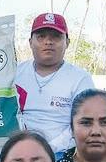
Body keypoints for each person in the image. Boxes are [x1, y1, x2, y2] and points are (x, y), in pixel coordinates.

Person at [15, 13, 96, 150]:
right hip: (17, 148)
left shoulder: (80, 78)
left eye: (56, 37)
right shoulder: (15, 73)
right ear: (30, 42)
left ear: (67, 43)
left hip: (63, 153)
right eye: (41, 36)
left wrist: (49, 150)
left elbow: (85, 121)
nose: (48, 42)